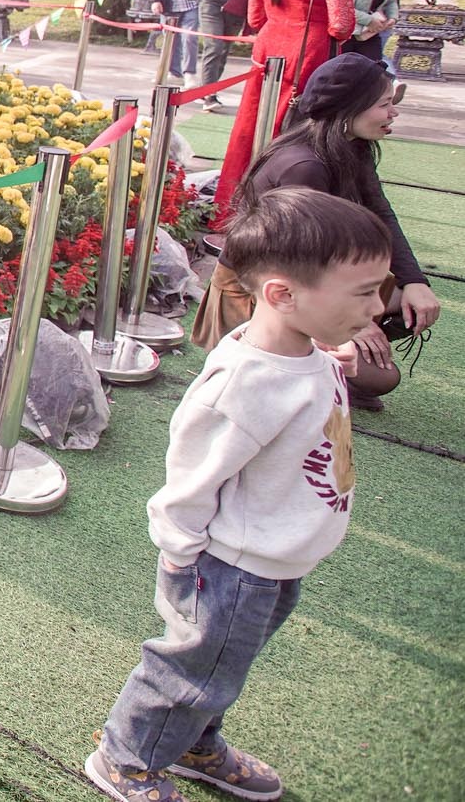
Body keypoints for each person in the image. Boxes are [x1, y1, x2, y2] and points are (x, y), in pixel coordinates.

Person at [87, 186, 387, 802]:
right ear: (282, 294)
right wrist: (179, 554)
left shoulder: (302, 346)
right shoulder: (246, 385)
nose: (376, 306)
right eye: (363, 293)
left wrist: (339, 358)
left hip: (276, 558)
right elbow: (191, 474)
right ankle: (125, 758)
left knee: (223, 668)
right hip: (230, 567)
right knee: (191, 669)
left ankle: (193, 742)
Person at [194, 53, 439, 410]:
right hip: (262, 294)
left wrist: (416, 280)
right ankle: (299, 360)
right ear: (350, 108)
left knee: (411, 301)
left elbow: (381, 212)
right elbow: (293, 268)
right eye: (385, 104)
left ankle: (323, 356)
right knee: (383, 379)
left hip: (307, 282)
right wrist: (357, 324)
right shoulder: (304, 165)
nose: (393, 113)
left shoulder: (352, 148)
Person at [213, 0, 355, 220]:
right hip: (310, 54)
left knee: (252, 128)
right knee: (299, 137)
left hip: (268, 50)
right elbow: (342, 26)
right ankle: (283, 212)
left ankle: (234, 205)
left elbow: (255, 19)